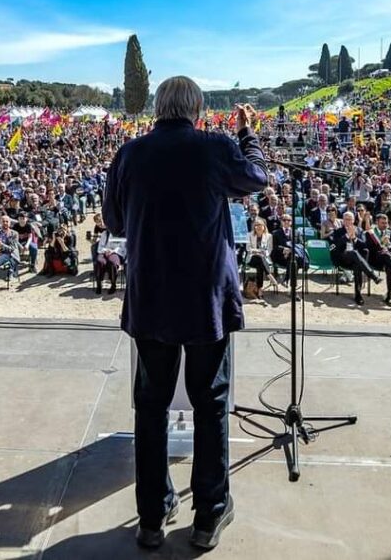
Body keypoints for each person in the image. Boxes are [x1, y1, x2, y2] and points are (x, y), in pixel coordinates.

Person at [103, 77, 267, 550]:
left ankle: (151, 518)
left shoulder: (131, 154)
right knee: (210, 402)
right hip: (205, 301)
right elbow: (256, 178)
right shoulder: (215, 148)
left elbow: (113, 221)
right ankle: (209, 516)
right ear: (197, 108)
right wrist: (248, 134)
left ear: (158, 107)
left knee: (151, 407)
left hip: (152, 295)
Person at [328, 211, 381, 306]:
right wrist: (347, 236)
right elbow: (334, 246)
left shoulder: (359, 230)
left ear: (353, 220)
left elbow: (364, 245)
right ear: (343, 221)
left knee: (357, 265)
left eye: (350, 219)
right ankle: (372, 275)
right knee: (353, 253)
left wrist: (355, 238)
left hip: (357, 261)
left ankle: (358, 294)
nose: (348, 221)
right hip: (343, 259)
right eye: (346, 219)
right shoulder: (338, 231)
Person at [244, 217, 275, 298]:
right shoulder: (249, 235)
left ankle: (260, 289)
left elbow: (269, 249)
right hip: (252, 258)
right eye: (256, 225)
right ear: (254, 227)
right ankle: (269, 275)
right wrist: (257, 251)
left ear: (264, 226)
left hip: (264, 258)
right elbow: (248, 248)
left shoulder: (269, 236)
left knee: (260, 265)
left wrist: (263, 253)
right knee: (259, 258)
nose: (258, 226)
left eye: (260, 225)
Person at [93, 227, 125, 294]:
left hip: (116, 252)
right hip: (104, 252)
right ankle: (99, 284)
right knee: (99, 261)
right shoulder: (105, 233)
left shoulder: (122, 234)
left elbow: (123, 247)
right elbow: (100, 247)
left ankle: (113, 285)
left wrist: (113, 251)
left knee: (112, 262)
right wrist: (105, 251)